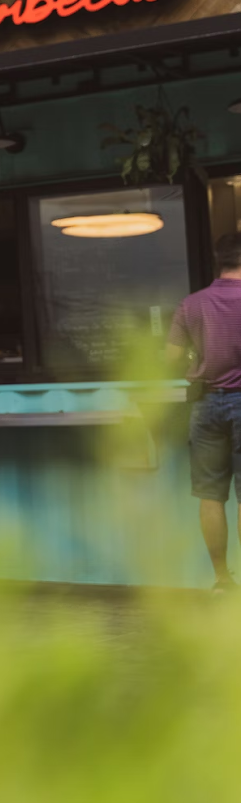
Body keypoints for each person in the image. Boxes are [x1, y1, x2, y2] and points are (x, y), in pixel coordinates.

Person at [168, 232, 241, 593]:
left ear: (219, 262)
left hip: (206, 402)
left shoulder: (191, 304)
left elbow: (168, 358)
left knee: (211, 495)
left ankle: (223, 580)